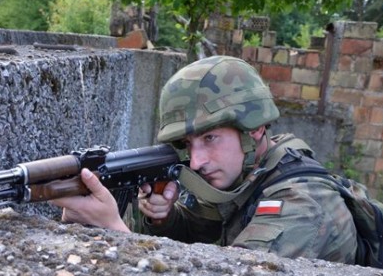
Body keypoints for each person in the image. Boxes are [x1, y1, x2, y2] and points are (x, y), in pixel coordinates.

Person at [51, 56, 357, 263]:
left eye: (210, 138)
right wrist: (165, 219)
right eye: (188, 144)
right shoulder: (245, 175)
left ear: (255, 128)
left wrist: (115, 232)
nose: (196, 162)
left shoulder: (301, 207)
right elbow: (207, 235)